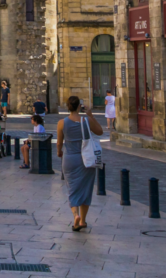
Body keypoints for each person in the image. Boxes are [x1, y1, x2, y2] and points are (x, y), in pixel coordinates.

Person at [57, 95, 104, 231]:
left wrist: (59, 152)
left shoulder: (62, 123)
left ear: (68, 107)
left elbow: (59, 142)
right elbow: (100, 132)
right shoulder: (86, 120)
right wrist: (91, 115)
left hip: (70, 159)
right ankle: (83, 221)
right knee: (86, 189)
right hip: (86, 159)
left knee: (72, 188)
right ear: (79, 107)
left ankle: (75, 215)